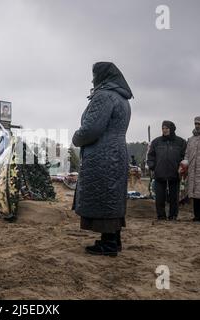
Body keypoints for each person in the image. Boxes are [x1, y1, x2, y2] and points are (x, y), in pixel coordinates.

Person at [72, 62, 133, 257]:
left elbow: (92, 129)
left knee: (104, 195)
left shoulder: (104, 96)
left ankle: (108, 245)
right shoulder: (122, 98)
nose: (92, 79)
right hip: (117, 151)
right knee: (112, 196)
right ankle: (113, 240)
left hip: (103, 154)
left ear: (103, 76)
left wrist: (76, 137)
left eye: (94, 75)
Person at [147, 121, 187, 221]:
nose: (164, 130)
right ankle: (161, 215)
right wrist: (152, 166)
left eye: (166, 128)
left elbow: (185, 156)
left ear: (172, 129)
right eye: (163, 128)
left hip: (175, 173)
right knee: (160, 197)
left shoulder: (180, 142)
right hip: (159, 173)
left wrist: (182, 167)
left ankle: (173, 215)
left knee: (174, 197)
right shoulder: (156, 142)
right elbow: (151, 156)